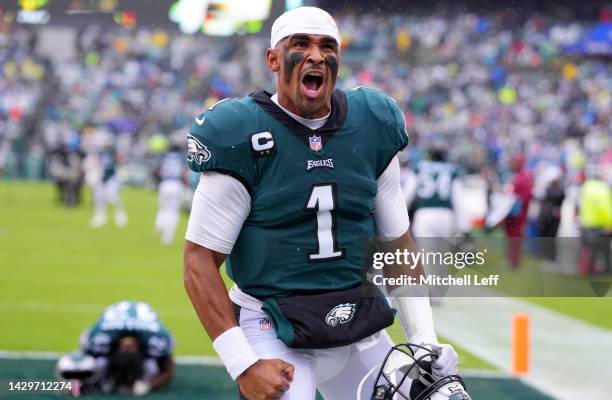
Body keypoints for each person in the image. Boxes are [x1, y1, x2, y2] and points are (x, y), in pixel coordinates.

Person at [183, 7, 460, 400]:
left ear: (338, 61)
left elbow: (398, 246)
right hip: (271, 325)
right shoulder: (240, 134)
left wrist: (424, 340)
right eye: (301, 44)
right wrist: (242, 362)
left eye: (327, 46)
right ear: (273, 59)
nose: (315, 55)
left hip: (356, 323)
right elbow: (198, 261)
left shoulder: (371, 125)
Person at [60, 301, 175, 396]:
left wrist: (148, 385)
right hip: (111, 328)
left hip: (142, 331)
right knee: (99, 364)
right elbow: (86, 356)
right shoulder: (99, 337)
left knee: (151, 367)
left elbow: (167, 370)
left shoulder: (157, 339)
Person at [84, 147, 128, 228]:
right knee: (99, 199)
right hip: (100, 179)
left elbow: (119, 163)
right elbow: (94, 165)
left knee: (112, 197)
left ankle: (120, 215)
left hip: (111, 179)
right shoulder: (98, 153)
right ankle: (100, 217)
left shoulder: (112, 152)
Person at [503, 154, 533, 268]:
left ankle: (514, 261)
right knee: (512, 237)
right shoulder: (518, 176)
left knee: (515, 237)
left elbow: (525, 197)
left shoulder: (523, 177)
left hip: (518, 214)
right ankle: (512, 260)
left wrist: (514, 202)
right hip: (513, 213)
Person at [154, 145, 187, 245]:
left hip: (164, 184)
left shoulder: (163, 156)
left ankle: (159, 225)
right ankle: (167, 237)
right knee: (173, 212)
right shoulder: (182, 157)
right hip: (176, 184)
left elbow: (156, 171)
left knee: (163, 208)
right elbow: (184, 172)